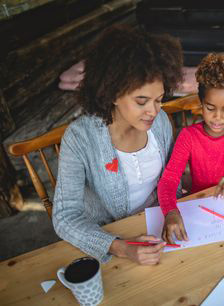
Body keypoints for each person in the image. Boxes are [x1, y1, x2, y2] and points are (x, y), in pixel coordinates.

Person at [52, 25, 183, 264]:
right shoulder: (80, 138)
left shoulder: (161, 122)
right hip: (106, 238)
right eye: (141, 101)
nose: (153, 111)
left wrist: (170, 210)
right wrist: (121, 248)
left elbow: (171, 178)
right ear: (112, 93)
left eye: (159, 99)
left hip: (157, 229)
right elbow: (65, 217)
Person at [158, 53, 224, 244]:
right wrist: (170, 211)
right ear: (201, 102)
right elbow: (169, 180)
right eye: (210, 107)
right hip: (200, 209)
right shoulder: (188, 136)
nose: (217, 117)